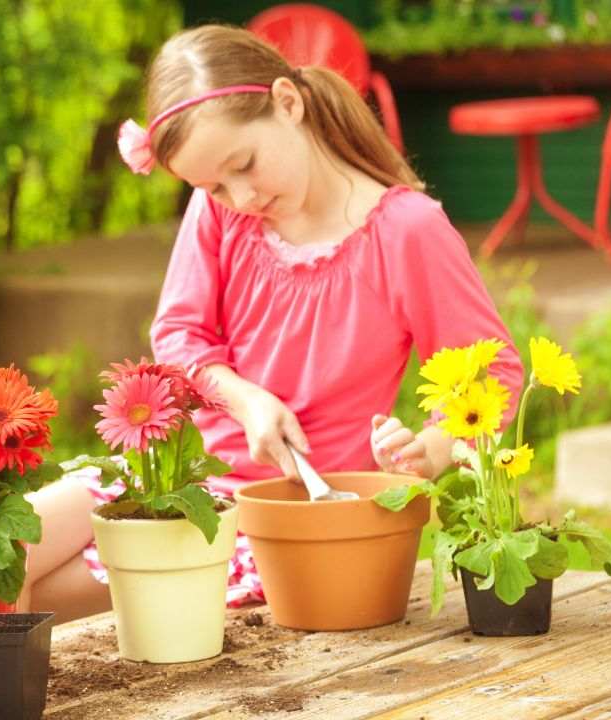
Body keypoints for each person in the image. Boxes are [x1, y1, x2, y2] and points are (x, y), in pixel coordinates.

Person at [28, 24, 524, 611]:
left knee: (34, 596)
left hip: (288, 517)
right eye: (213, 186)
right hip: (180, 482)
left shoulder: (404, 231)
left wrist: (434, 448)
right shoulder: (221, 214)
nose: (240, 199)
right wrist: (245, 400)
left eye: (245, 165)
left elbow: (493, 372)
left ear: (289, 103)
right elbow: (179, 334)